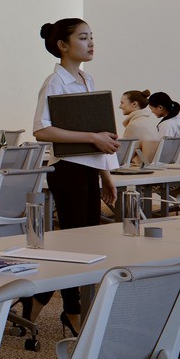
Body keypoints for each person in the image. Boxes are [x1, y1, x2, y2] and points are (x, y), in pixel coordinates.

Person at [31, 18, 119, 325]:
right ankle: (71, 310)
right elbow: (41, 130)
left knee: (88, 242)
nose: (91, 42)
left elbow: (99, 132)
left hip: (88, 170)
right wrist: (92, 138)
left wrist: (106, 173)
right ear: (63, 46)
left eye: (92, 37)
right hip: (66, 170)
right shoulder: (53, 82)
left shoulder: (87, 79)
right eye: (83, 38)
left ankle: (39, 297)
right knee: (74, 245)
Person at [149, 91, 180, 162]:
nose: (152, 112)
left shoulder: (167, 124)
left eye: (152, 109)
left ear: (160, 107)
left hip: (178, 161)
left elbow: (163, 150)